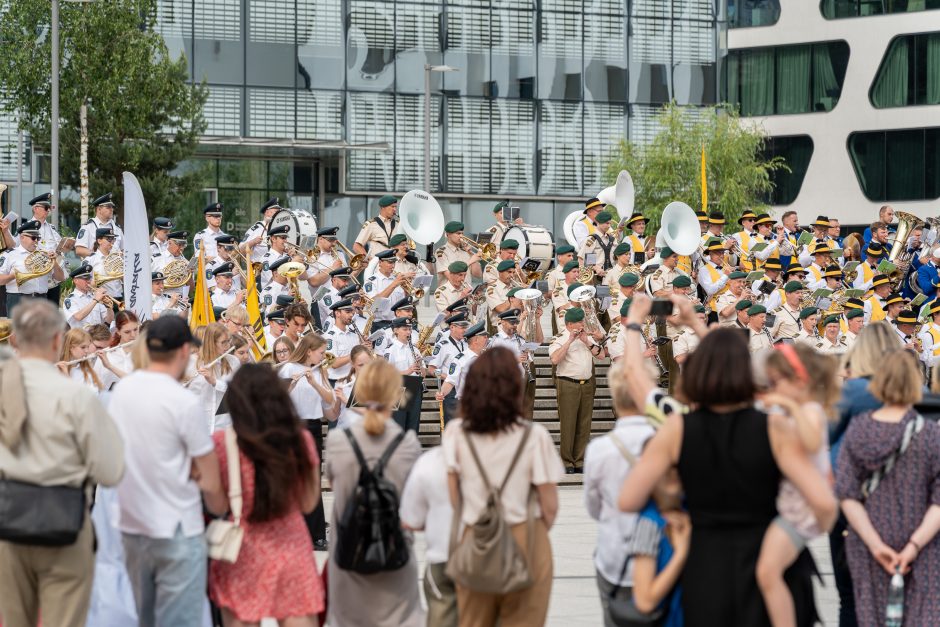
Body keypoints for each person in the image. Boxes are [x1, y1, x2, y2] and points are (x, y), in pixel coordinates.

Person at [618, 294, 838, 627]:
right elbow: (824, 504)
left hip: (705, 563)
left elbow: (628, 498)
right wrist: (799, 531)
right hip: (765, 552)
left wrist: (635, 323)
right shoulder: (773, 424)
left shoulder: (677, 427)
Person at [0, 300, 124, 627]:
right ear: (58, 340)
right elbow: (110, 471)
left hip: (10, 521)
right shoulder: (77, 396)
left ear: (15, 341)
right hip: (64, 518)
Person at [109, 315, 227, 627]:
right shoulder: (182, 401)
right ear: (184, 351)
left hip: (133, 525)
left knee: (145, 617)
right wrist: (220, 509)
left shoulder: (124, 390)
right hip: (176, 525)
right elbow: (210, 477)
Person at [442, 347, 564, 627]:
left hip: (477, 534)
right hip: (527, 534)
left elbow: (454, 498)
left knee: (472, 620)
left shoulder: (456, 434)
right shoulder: (534, 435)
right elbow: (550, 507)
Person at [209, 365, 325, 627]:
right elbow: (308, 503)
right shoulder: (299, 440)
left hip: (243, 547)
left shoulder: (221, 443)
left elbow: (216, 504)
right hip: (290, 544)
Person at [836, 350, 940, 626]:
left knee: (872, 615)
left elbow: (847, 493)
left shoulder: (858, 429)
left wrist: (875, 543)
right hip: (923, 542)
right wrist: (914, 545)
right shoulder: (931, 434)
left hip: (869, 540)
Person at [324, 359, 423, 627]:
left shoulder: (337, 442)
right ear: (396, 394)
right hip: (394, 546)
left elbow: (335, 486)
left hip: (348, 547)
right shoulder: (408, 444)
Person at [755, 344, 840, 627]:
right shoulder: (804, 409)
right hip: (794, 505)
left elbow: (812, 441)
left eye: (777, 381)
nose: (773, 387)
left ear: (799, 380)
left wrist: (788, 406)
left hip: (800, 511)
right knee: (769, 572)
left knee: (767, 572)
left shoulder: (811, 409)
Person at [583, 358, 657, 626]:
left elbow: (593, 507)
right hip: (661, 555)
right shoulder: (669, 440)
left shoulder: (600, 449)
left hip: (614, 556)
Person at [277, 334, 334, 551]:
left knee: (312, 482)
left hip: (313, 427)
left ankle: (317, 534)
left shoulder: (319, 371)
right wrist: (292, 384)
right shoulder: (287, 368)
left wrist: (315, 381)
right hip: (291, 427)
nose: (323, 355)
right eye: (320, 351)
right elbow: (277, 399)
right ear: (309, 350)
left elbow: (329, 400)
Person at [400, 444, 457, 627]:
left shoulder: (431, 461)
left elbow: (410, 520)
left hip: (444, 555)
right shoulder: (505, 453)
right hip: (489, 556)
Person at [550, 307, 607, 474]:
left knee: (584, 423)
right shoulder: (559, 339)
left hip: (587, 383)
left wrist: (586, 341)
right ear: (569, 324)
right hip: (568, 383)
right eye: (579, 322)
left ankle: (579, 460)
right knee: (568, 424)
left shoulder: (586, 337)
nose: (583, 324)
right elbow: (554, 360)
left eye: (582, 321)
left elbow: (601, 355)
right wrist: (569, 341)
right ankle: (567, 461)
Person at [0, 219, 66, 312]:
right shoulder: (9, 255)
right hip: (18, 299)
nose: (36, 241)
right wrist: (14, 275)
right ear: (22, 237)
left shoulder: (44, 254)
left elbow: (61, 278)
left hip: (41, 299)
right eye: (33, 238)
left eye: (38, 238)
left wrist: (54, 262)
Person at [186, 322, 240, 432]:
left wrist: (215, 382)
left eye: (228, 341)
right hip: (198, 427)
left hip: (224, 426)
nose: (228, 346)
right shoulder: (189, 362)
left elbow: (239, 392)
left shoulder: (233, 362)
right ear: (211, 343)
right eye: (223, 342)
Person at [326, 344, 374, 429]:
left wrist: (345, 400)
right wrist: (321, 396)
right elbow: (333, 417)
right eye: (360, 365)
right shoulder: (342, 383)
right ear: (352, 363)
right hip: (344, 433)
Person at [75, 192, 125, 257]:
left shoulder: (117, 228)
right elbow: (79, 250)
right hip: (95, 265)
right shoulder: (88, 227)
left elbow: (123, 249)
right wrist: (97, 256)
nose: (111, 209)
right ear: (99, 209)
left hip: (114, 265)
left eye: (112, 207)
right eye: (108, 207)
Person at [57, 327, 105, 392]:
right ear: (71, 347)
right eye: (83, 347)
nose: (87, 351)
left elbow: (93, 394)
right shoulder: (55, 367)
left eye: (88, 347)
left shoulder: (86, 369)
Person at [353, 195, 401, 259]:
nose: (395, 209)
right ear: (383, 207)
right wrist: (369, 260)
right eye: (392, 207)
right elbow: (356, 246)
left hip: (395, 265)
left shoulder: (398, 224)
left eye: (395, 207)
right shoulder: (371, 224)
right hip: (377, 266)